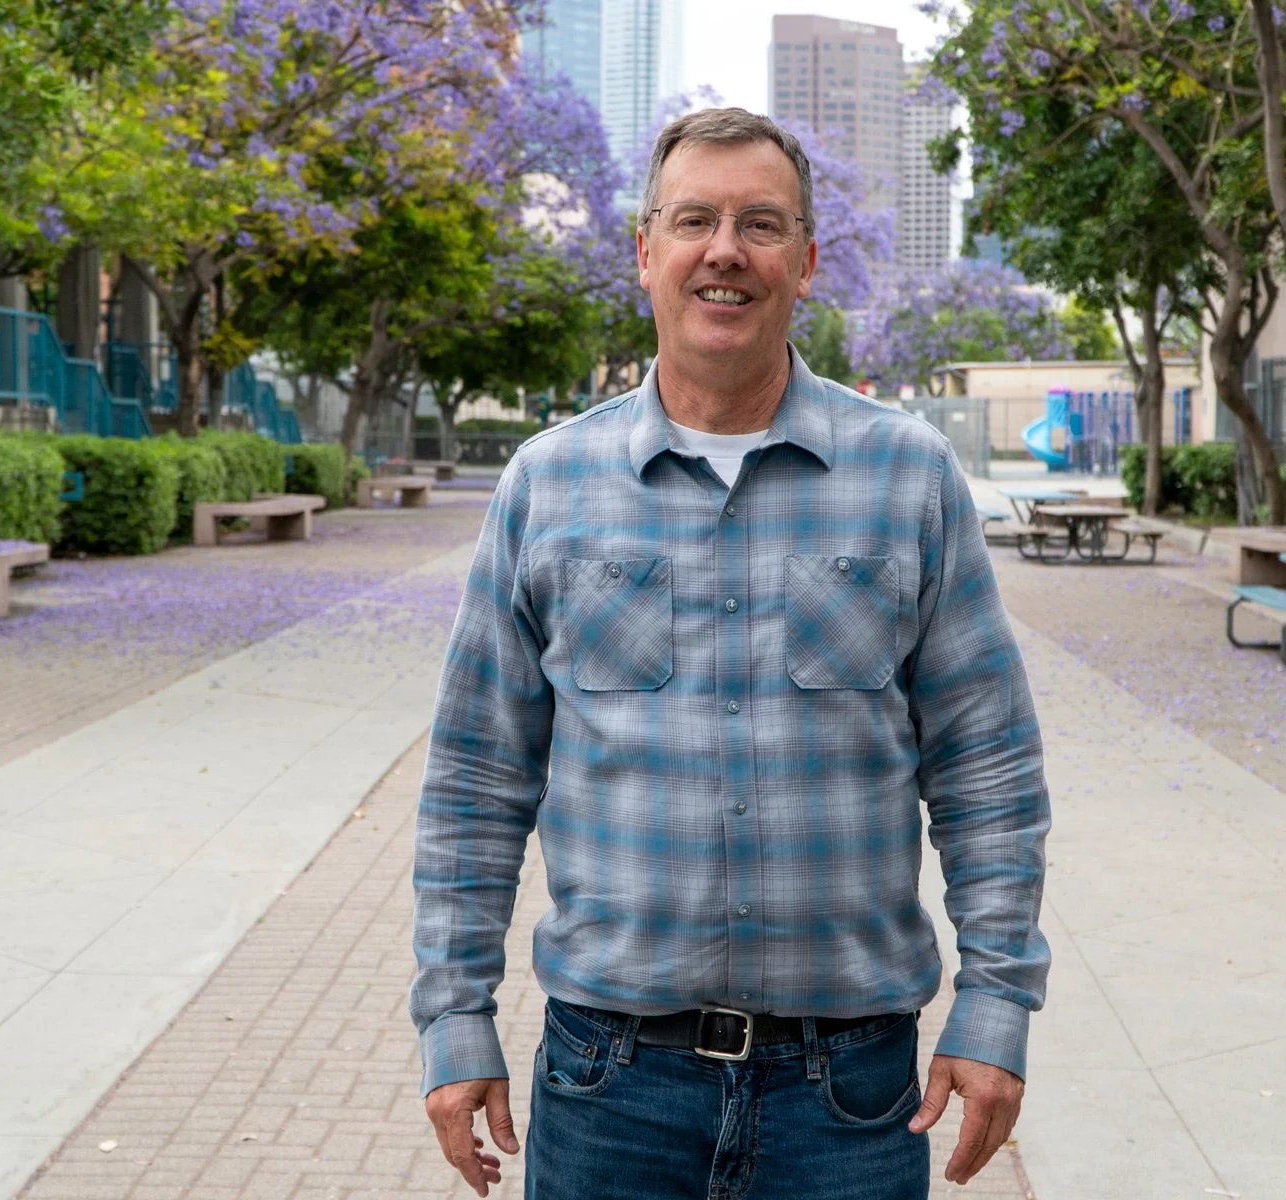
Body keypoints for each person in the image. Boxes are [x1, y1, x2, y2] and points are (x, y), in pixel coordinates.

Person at [411, 107, 1050, 1199]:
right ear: (645, 252)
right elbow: (478, 777)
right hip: (609, 1088)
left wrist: (994, 1006)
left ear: (804, 263)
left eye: (761, 224)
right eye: (695, 219)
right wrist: (455, 1015)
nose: (725, 250)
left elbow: (986, 767)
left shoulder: (909, 477)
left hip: (849, 1095)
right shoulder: (547, 486)